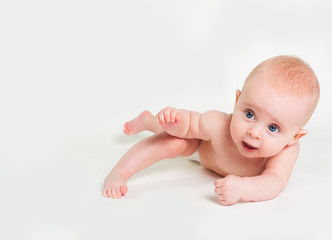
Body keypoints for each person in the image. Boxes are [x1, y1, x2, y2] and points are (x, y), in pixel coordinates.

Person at [103, 55, 320, 205]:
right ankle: (121, 171)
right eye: (249, 114)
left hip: (213, 158)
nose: (254, 132)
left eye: (273, 128)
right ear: (237, 102)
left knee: (169, 133)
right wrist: (176, 122)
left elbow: (274, 183)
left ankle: (149, 122)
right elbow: (189, 125)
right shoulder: (220, 125)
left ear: (294, 137)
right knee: (174, 139)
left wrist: (243, 189)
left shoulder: (286, 151)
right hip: (201, 147)